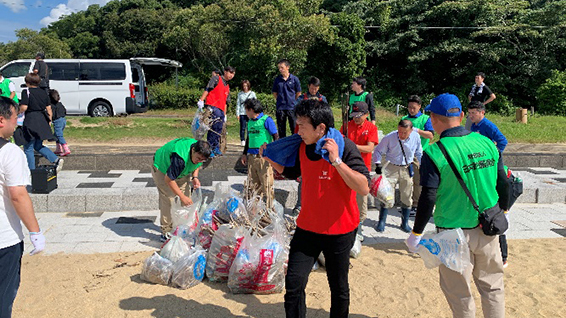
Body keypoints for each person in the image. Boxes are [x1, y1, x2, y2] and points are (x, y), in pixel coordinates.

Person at [261, 99, 370, 318]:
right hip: (308, 228)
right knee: (294, 283)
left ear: (321, 128)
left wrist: (337, 160)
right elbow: (291, 172)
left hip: (339, 230)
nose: (297, 130)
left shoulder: (344, 146)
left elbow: (364, 187)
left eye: (302, 125)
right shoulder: (302, 146)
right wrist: (270, 157)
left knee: (338, 286)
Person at [406, 93, 510, 318]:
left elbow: (428, 197)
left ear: (432, 118)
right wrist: (502, 210)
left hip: (452, 233)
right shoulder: (486, 143)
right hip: (487, 227)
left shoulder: (434, 152)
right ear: (462, 116)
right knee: (492, 286)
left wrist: (416, 232)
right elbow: (503, 182)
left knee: (459, 293)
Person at [0, 96, 45, 317]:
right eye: (15, 117)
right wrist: (35, 231)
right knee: (3, 297)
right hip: (4, 240)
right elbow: (17, 195)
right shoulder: (10, 152)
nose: (17, 122)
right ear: (1, 120)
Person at [467, 100, 510, 267]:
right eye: (469, 113)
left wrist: (493, 152)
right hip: (478, 166)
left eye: (473, 113)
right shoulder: (473, 126)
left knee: (497, 216)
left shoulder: (488, 125)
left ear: (482, 113)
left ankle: (503, 256)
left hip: (490, 165)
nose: (471, 116)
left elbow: (502, 141)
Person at [152, 138, 211, 241]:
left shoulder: (201, 154)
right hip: (162, 167)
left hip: (181, 170)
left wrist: (195, 177)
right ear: (193, 150)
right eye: (198, 158)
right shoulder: (180, 158)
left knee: (187, 199)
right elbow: (169, 179)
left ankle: (185, 227)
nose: (199, 161)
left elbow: (198, 163)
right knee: (168, 199)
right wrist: (181, 196)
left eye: (202, 159)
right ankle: (166, 231)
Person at [372, 119, 422, 233]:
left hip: (406, 168)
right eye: (400, 132)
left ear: (411, 131)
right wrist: (378, 164)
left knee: (406, 195)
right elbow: (378, 151)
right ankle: (382, 221)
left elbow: (419, 152)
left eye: (405, 132)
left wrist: (422, 165)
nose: (402, 135)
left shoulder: (416, 137)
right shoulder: (390, 137)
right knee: (386, 195)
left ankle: (404, 223)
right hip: (391, 168)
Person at [340, 101, 378, 241]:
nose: (356, 118)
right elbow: (339, 140)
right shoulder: (347, 126)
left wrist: (351, 146)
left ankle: (359, 225)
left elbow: (369, 148)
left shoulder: (371, 128)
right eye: (354, 115)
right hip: (346, 166)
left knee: (361, 198)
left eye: (359, 115)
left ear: (367, 114)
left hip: (362, 167)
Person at [293, 76, 328, 215]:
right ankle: (299, 205)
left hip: (317, 138)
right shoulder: (302, 98)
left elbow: (326, 115)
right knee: (303, 173)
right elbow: (295, 113)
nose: (314, 90)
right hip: (304, 137)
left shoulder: (322, 99)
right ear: (308, 86)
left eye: (316, 88)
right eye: (312, 87)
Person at [19, 73, 63, 172]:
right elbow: (49, 108)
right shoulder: (44, 92)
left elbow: (24, 107)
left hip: (30, 119)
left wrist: (17, 112)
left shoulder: (26, 92)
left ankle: (31, 171)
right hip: (42, 119)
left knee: (28, 147)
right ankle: (55, 159)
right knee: (38, 145)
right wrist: (49, 121)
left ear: (27, 82)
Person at [241, 99, 278, 208]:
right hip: (252, 157)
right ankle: (255, 210)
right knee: (253, 185)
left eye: (246, 110)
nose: (245, 113)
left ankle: (270, 209)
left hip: (264, 158)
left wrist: (275, 154)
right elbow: (248, 139)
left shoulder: (266, 120)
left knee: (266, 184)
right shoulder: (250, 122)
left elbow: (276, 136)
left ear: (251, 110)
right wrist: (244, 153)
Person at [401, 95, 434, 214]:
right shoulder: (404, 118)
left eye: (414, 108)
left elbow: (430, 135)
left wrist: (417, 131)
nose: (411, 110)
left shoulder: (425, 119)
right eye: (409, 107)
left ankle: (416, 204)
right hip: (405, 153)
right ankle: (406, 204)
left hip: (419, 154)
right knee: (405, 180)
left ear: (419, 107)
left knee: (417, 180)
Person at [198, 66, 236, 157]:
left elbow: (226, 102)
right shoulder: (216, 79)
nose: (231, 75)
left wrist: (225, 114)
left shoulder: (227, 86)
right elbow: (208, 89)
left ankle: (216, 147)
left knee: (219, 128)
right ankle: (210, 147)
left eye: (233, 74)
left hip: (221, 109)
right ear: (225, 72)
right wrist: (201, 100)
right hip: (213, 105)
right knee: (213, 128)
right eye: (230, 72)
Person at [272, 59, 301, 138]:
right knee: (281, 129)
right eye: (279, 68)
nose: (280, 69)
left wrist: (294, 101)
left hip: (291, 107)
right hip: (280, 107)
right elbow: (275, 92)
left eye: (282, 67)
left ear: (287, 67)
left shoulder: (294, 79)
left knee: (294, 128)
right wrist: (280, 100)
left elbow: (298, 92)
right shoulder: (277, 80)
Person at [49, 89, 70, 156]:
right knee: (57, 134)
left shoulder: (52, 106)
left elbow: (51, 114)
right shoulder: (60, 104)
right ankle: (59, 149)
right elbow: (64, 111)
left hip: (57, 121)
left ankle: (66, 149)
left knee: (59, 135)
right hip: (63, 120)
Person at [236, 80, 257, 147]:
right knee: (243, 127)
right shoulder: (240, 94)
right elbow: (238, 104)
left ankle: (249, 139)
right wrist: (237, 113)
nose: (245, 87)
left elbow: (255, 103)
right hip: (242, 112)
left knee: (250, 126)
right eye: (244, 86)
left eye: (246, 86)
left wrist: (255, 112)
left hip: (250, 113)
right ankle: (242, 140)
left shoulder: (252, 93)